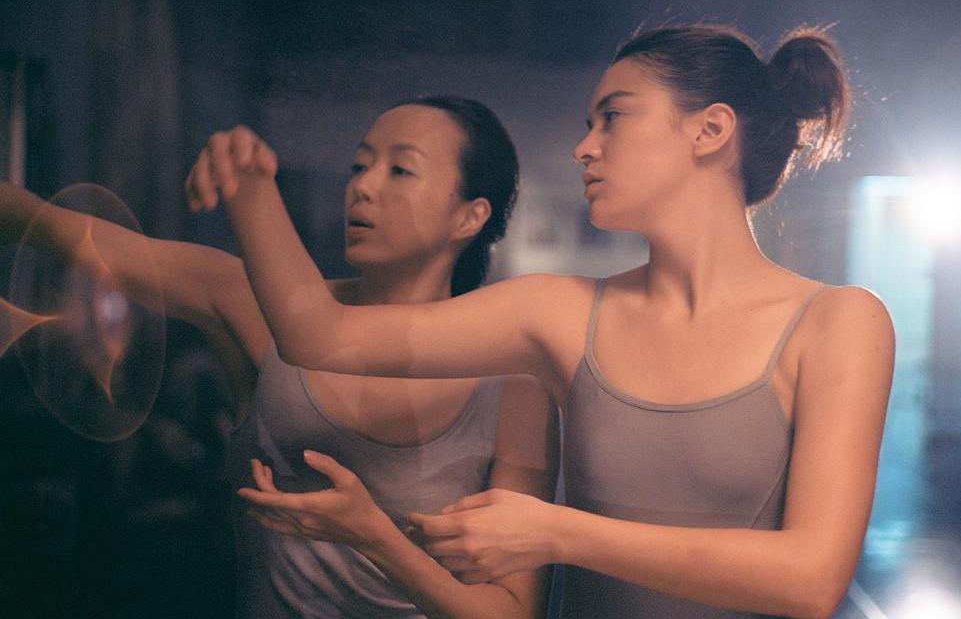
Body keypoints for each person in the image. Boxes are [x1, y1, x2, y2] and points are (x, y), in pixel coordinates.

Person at [191, 24, 895, 619]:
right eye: (589, 126)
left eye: (612, 118)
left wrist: (558, 532)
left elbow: (810, 579)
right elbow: (319, 336)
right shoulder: (557, 313)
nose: (584, 147)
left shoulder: (837, 324)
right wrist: (252, 193)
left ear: (709, 130)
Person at [0, 96, 558, 619]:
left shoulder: (514, 382)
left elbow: (512, 609)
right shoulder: (254, 306)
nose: (362, 186)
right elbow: (53, 227)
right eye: (359, 165)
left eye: (400, 170)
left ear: (469, 217)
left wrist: (374, 536)